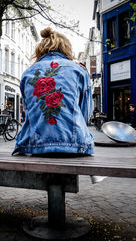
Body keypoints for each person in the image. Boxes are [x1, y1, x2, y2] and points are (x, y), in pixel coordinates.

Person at [13, 27, 104, 183]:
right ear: (66, 49)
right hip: (74, 145)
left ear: (41, 50)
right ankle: (94, 172)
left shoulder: (28, 72)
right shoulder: (79, 71)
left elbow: (29, 112)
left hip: (36, 145)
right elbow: (85, 114)